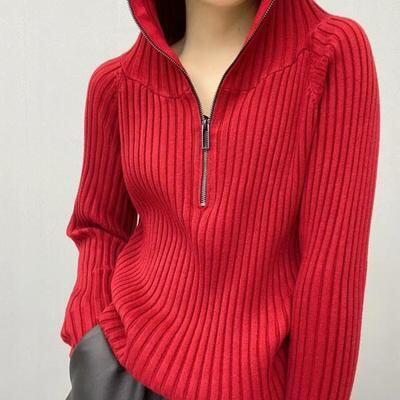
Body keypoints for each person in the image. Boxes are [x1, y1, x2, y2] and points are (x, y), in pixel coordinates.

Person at [61, 0, 380, 399]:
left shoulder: (329, 54)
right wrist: (91, 342)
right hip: (122, 378)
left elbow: (330, 269)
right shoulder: (116, 86)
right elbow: (99, 227)